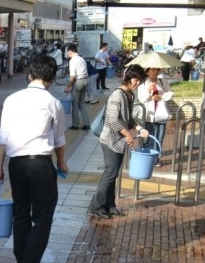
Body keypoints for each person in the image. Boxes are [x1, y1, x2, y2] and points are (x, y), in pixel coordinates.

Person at [0, 55, 69, 263]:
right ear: (51, 78)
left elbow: (3, 137)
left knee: (21, 214)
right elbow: (58, 139)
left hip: (16, 164)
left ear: (30, 75)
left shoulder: (11, 99)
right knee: (43, 217)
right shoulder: (53, 103)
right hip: (40, 164)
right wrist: (62, 162)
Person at [90, 64, 149, 219]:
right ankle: (97, 206)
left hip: (120, 140)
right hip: (110, 140)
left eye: (140, 80)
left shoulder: (130, 95)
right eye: (136, 79)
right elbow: (112, 120)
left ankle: (110, 205)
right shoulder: (117, 95)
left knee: (113, 173)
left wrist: (139, 128)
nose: (137, 83)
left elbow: (128, 119)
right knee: (110, 173)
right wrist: (128, 135)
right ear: (128, 77)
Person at [137, 67, 173, 157]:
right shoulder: (143, 83)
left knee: (159, 138)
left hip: (161, 114)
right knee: (147, 137)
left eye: (157, 70)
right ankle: (146, 156)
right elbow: (141, 99)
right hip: (148, 115)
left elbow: (170, 93)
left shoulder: (162, 81)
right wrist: (148, 92)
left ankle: (156, 157)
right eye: (153, 70)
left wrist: (161, 97)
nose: (155, 72)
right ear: (147, 71)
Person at [64, 44, 90, 130]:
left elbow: (73, 76)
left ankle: (75, 124)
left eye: (68, 53)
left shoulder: (73, 60)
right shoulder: (82, 59)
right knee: (82, 104)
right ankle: (87, 124)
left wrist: (69, 85)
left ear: (70, 52)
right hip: (85, 81)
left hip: (78, 82)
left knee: (75, 104)